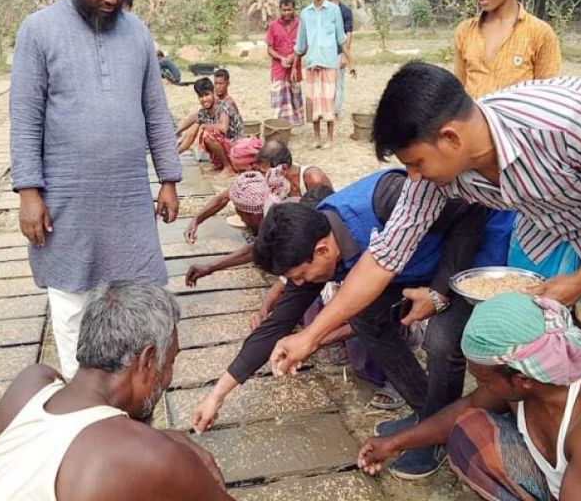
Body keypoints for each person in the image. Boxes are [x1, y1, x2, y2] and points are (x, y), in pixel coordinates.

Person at [269, 62, 581, 407]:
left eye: (415, 163)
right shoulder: (435, 176)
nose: (412, 176)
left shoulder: (562, 121)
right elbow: (384, 258)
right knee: (534, 348)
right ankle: (560, 437)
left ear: (449, 137)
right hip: (544, 232)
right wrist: (309, 336)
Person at [192, 170, 515, 479]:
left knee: (442, 341)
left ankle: (437, 438)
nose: (301, 284)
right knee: (365, 317)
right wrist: (217, 395)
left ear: (322, 250)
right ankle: (428, 414)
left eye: (302, 276)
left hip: (472, 250)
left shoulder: (386, 200)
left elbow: (469, 208)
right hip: (408, 267)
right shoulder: (310, 244)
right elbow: (276, 326)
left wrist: (439, 291)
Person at [10, 0, 181, 380]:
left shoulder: (137, 33)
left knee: (135, 296)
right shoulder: (38, 30)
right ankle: (81, 398)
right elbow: (25, 115)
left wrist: (169, 179)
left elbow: (155, 111)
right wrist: (28, 192)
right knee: (71, 301)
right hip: (68, 195)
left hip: (126, 195)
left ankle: (132, 391)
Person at [358, 292, 581, 500]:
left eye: (482, 378)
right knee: (470, 429)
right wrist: (394, 444)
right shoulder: (535, 383)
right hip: (580, 488)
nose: (479, 387)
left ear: (522, 380)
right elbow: (470, 407)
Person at [0, 281, 233, 501]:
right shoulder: (154, 458)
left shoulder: (32, 384)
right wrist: (185, 464)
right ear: (148, 360)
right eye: (171, 361)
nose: (169, 377)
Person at [184, 141, 332, 287]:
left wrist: (211, 267)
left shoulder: (312, 180)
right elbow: (224, 197)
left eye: (263, 172)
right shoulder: (270, 183)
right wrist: (197, 219)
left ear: (284, 168)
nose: (261, 176)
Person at [455, 0, 561, 98]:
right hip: (473, 120)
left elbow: (548, 99)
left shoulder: (540, 33)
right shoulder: (464, 32)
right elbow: (457, 96)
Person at [290, 0, 352, 149]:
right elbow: (300, 45)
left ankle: (330, 138)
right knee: (314, 101)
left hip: (329, 64)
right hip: (312, 64)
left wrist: (350, 61)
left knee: (328, 101)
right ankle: (316, 138)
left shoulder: (334, 11)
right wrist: (295, 67)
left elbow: (341, 38)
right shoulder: (305, 13)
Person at [176, 77, 245, 178]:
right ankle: (220, 164)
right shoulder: (205, 112)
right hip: (228, 146)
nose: (204, 99)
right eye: (201, 96)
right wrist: (177, 134)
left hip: (237, 147)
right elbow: (191, 128)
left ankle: (228, 168)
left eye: (207, 95)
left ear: (213, 93)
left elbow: (223, 128)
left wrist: (205, 126)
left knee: (207, 134)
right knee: (199, 128)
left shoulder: (223, 107)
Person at [266, 0, 304, 126]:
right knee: (278, 101)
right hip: (278, 70)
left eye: (289, 10)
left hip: (294, 69)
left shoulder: (300, 25)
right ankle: (278, 125)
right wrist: (281, 58)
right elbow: (269, 49)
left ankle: (293, 125)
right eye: (284, 10)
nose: (287, 13)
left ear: (294, 9)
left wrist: (293, 56)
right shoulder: (273, 26)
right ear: (280, 10)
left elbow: (304, 47)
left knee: (294, 99)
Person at [326, 0, 355, 118]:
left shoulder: (345, 11)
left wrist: (345, 55)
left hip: (339, 52)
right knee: (328, 83)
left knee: (339, 83)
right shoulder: (327, 11)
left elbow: (348, 34)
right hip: (328, 53)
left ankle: (336, 111)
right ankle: (328, 109)